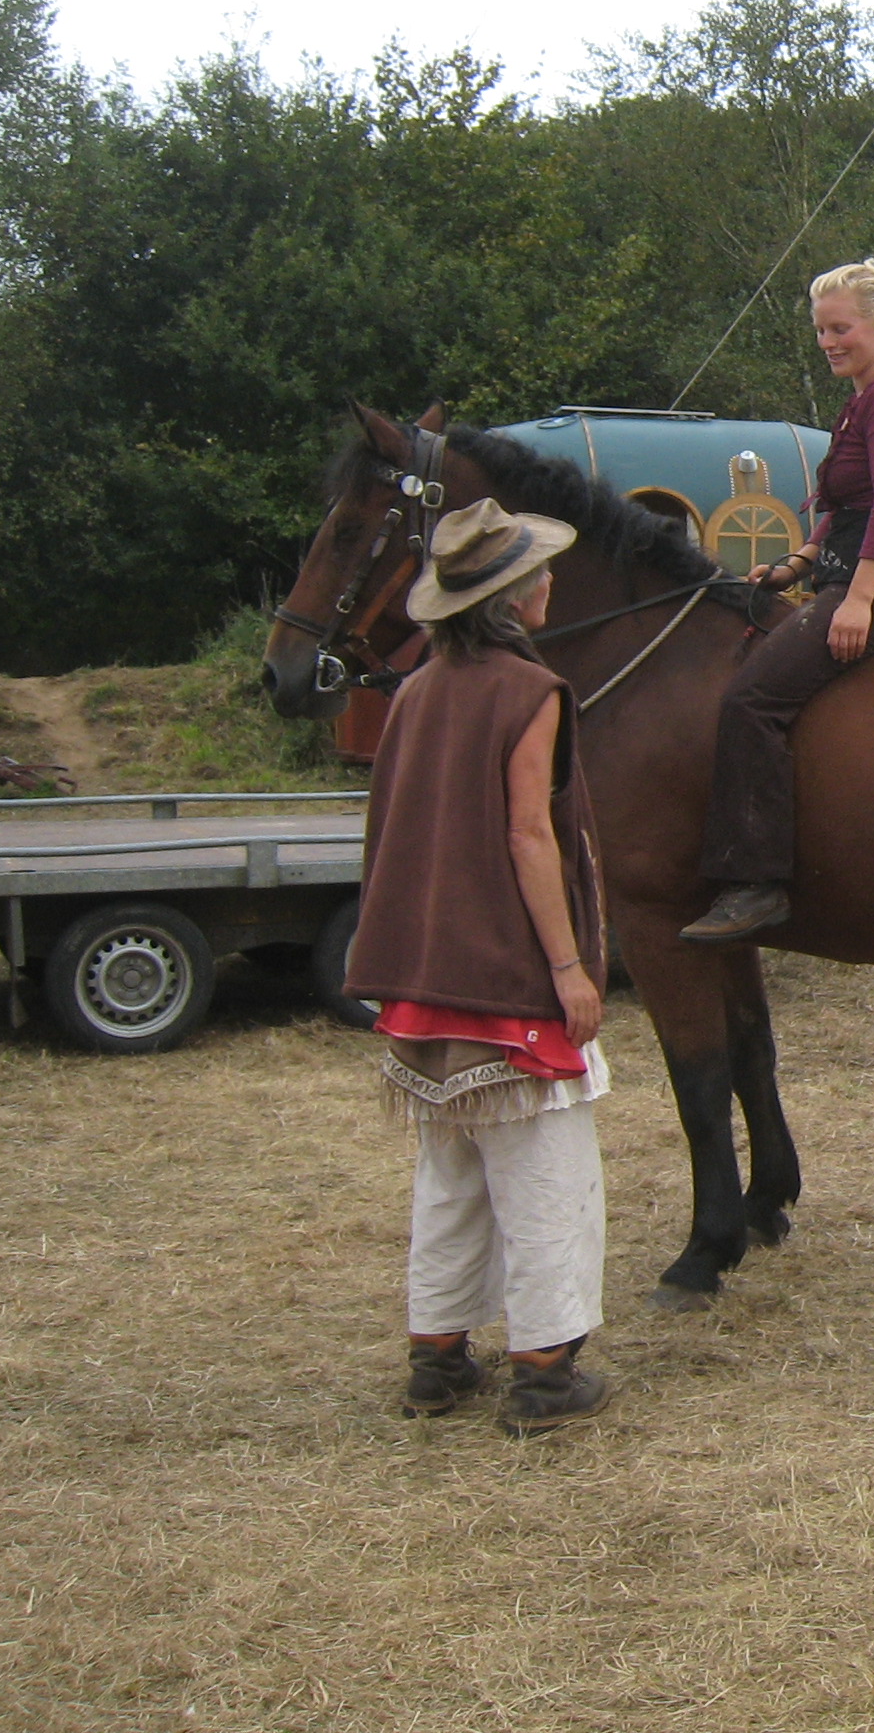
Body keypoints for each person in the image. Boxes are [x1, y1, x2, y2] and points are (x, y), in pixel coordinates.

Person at [344, 498, 614, 1433]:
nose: (550, 581)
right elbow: (528, 833)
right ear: (510, 596)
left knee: (450, 1179)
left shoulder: (415, 691)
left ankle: (437, 1359)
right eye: (536, 572)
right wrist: (568, 967)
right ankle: (544, 1374)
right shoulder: (530, 691)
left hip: (425, 975)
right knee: (546, 1180)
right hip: (505, 976)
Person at [685, 257, 874, 944]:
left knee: (750, 699)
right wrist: (797, 562)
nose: (827, 342)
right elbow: (847, 506)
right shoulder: (861, 401)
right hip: (848, 576)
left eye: (840, 329)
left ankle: (757, 883)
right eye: (821, 330)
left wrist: (859, 601)